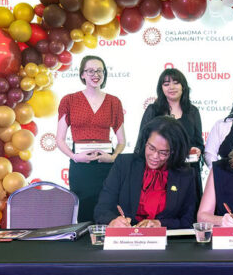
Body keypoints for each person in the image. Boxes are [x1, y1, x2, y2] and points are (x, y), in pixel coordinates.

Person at [56, 55, 126, 222]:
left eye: (100, 71)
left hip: (106, 167)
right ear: (82, 74)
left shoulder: (114, 102)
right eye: (90, 71)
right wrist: (74, 157)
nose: (96, 74)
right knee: (83, 212)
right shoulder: (69, 100)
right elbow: (59, 140)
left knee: (107, 210)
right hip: (80, 166)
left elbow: (122, 141)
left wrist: (113, 157)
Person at [94, 116, 197, 228]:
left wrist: (161, 224)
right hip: (126, 239)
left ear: (173, 151)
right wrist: (113, 222)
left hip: (168, 242)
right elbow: (102, 209)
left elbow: (189, 219)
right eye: (151, 148)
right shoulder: (124, 164)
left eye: (163, 152)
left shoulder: (186, 175)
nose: (154, 156)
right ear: (145, 142)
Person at [139, 68, 204, 197]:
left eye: (176, 82)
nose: (171, 87)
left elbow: (198, 142)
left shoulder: (192, 112)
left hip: (187, 170)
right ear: (161, 88)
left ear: (183, 86)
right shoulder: (153, 110)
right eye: (166, 84)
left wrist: (198, 149)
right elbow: (142, 142)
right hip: (159, 171)